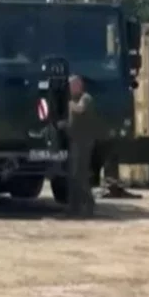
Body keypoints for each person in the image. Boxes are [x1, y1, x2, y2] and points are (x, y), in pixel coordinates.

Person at [65, 75, 97, 217]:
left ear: (79, 86)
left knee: (80, 175)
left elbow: (80, 109)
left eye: (71, 86)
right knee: (74, 175)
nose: (70, 89)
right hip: (75, 141)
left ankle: (88, 204)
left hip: (83, 142)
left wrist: (68, 104)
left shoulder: (85, 98)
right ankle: (74, 208)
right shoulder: (73, 100)